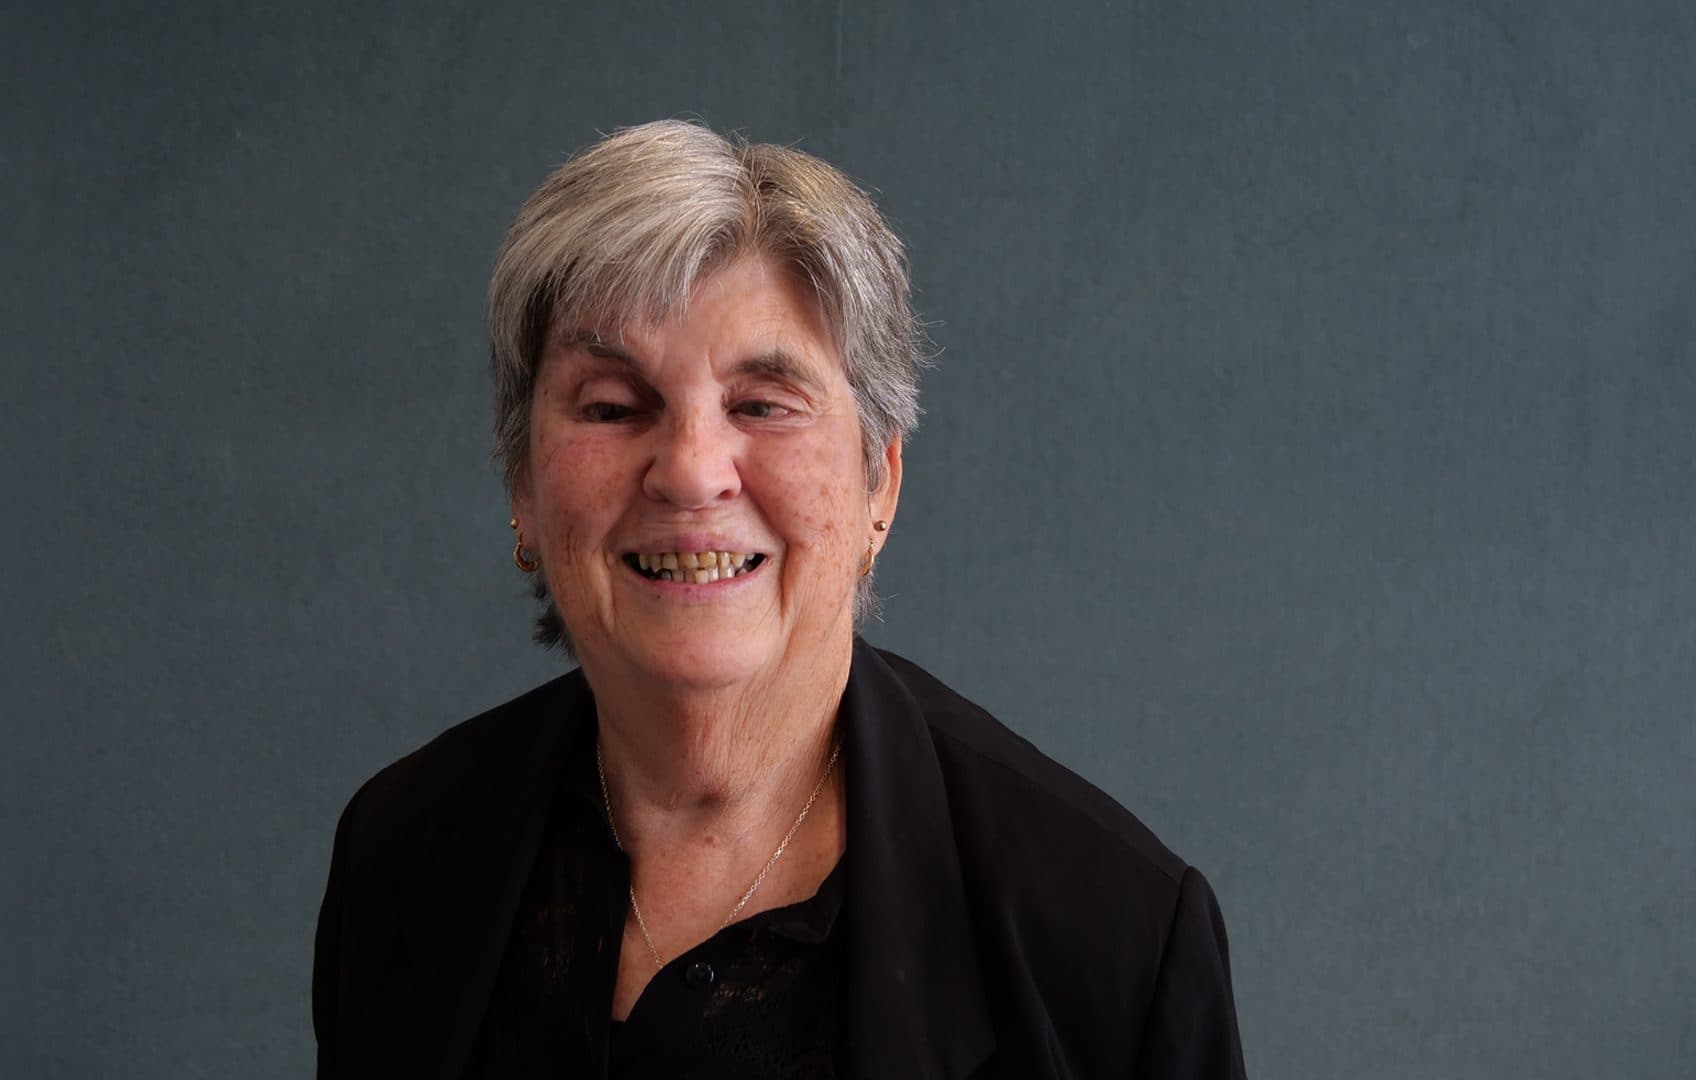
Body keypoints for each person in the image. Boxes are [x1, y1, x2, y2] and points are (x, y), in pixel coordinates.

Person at [313, 119, 1248, 1079]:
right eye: (611, 405)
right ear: (523, 482)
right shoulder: (403, 850)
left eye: (762, 403)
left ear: (879, 483)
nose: (688, 472)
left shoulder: (1110, 936)